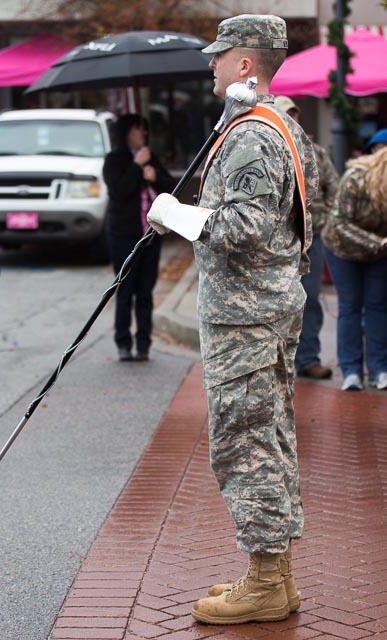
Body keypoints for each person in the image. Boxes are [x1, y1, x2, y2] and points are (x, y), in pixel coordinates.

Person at [147, 14, 318, 625]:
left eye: (220, 56)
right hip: (263, 311)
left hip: (247, 318)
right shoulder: (283, 128)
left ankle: (267, 580)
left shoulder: (253, 135)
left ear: (246, 64)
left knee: (244, 443)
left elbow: (245, 228)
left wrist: (179, 216)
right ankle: (274, 576)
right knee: (267, 438)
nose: (212, 64)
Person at [274, 95, 338, 380]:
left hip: (312, 238)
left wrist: (321, 222)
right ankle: (278, 360)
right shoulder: (269, 151)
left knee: (309, 298)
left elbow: (335, 191)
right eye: (285, 114)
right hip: (278, 241)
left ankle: (308, 357)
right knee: (278, 301)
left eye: (294, 114)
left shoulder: (317, 153)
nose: (292, 120)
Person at [103, 114, 176, 362]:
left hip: (150, 237)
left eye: (144, 130)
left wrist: (154, 176)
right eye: (137, 130)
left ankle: (143, 342)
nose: (141, 134)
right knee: (125, 291)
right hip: (124, 236)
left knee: (145, 292)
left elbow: (170, 189)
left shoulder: (150, 158)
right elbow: (119, 190)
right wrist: (136, 167)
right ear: (126, 133)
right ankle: (123, 341)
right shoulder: (114, 160)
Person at [322, 147, 387, 391]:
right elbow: (339, 222)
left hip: (379, 254)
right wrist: (377, 242)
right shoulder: (355, 179)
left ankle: (379, 369)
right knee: (350, 305)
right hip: (343, 250)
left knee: (377, 305)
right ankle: (351, 371)